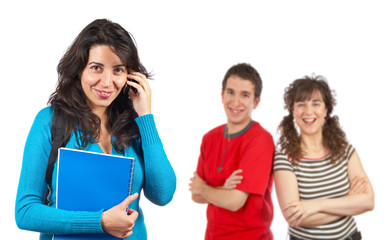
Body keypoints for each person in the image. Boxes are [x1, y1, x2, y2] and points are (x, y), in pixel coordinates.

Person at [15, 19, 176, 240]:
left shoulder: (134, 125)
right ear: (79, 69)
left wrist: (145, 117)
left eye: (118, 70)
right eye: (96, 68)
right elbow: (25, 212)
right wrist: (100, 222)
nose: (107, 82)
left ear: (129, 76)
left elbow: (163, 194)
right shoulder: (50, 121)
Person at [273, 75, 374, 240]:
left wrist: (316, 205)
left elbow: (368, 201)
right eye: (301, 104)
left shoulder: (345, 151)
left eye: (316, 103)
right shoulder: (284, 158)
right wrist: (348, 202)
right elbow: (293, 217)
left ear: (326, 110)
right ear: (293, 111)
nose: (308, 111)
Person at [189, 63, 275, 239]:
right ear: (222, 95)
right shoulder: (209, 138)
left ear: (256, 102)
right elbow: (195, 196)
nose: (235, 102)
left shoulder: (260, 139)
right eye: (230, 92)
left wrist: (205, 188)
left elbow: (234, 201)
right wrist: (222, 188)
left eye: (245, 95)